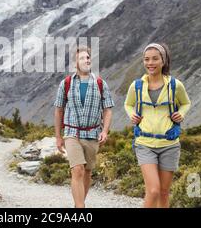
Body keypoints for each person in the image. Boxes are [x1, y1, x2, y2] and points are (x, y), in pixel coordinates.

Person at [124, 43, 191, 208]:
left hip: (169, 145)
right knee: (153, 191)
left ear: (163, 60)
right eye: (146, 59)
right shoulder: (137, 86)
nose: (150, 63)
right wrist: (132, 114)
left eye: (155, 58)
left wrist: (181, 114)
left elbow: (186, 103)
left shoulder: (175, 85)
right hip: (144, 144)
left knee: (163, 193)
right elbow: (128, 104)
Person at [54, 46, 115, 208]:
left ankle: (78, 204)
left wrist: (104, 131)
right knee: (78, 170)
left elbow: (108, 109)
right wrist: (58, 137)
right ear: (75, 64)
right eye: (82, 58)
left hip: (92, 134)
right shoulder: (65, 84)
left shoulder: (101, 83)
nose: (86, 60)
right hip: (72, 133)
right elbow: (59, 110)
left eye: (88, 57)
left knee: (87, 172)